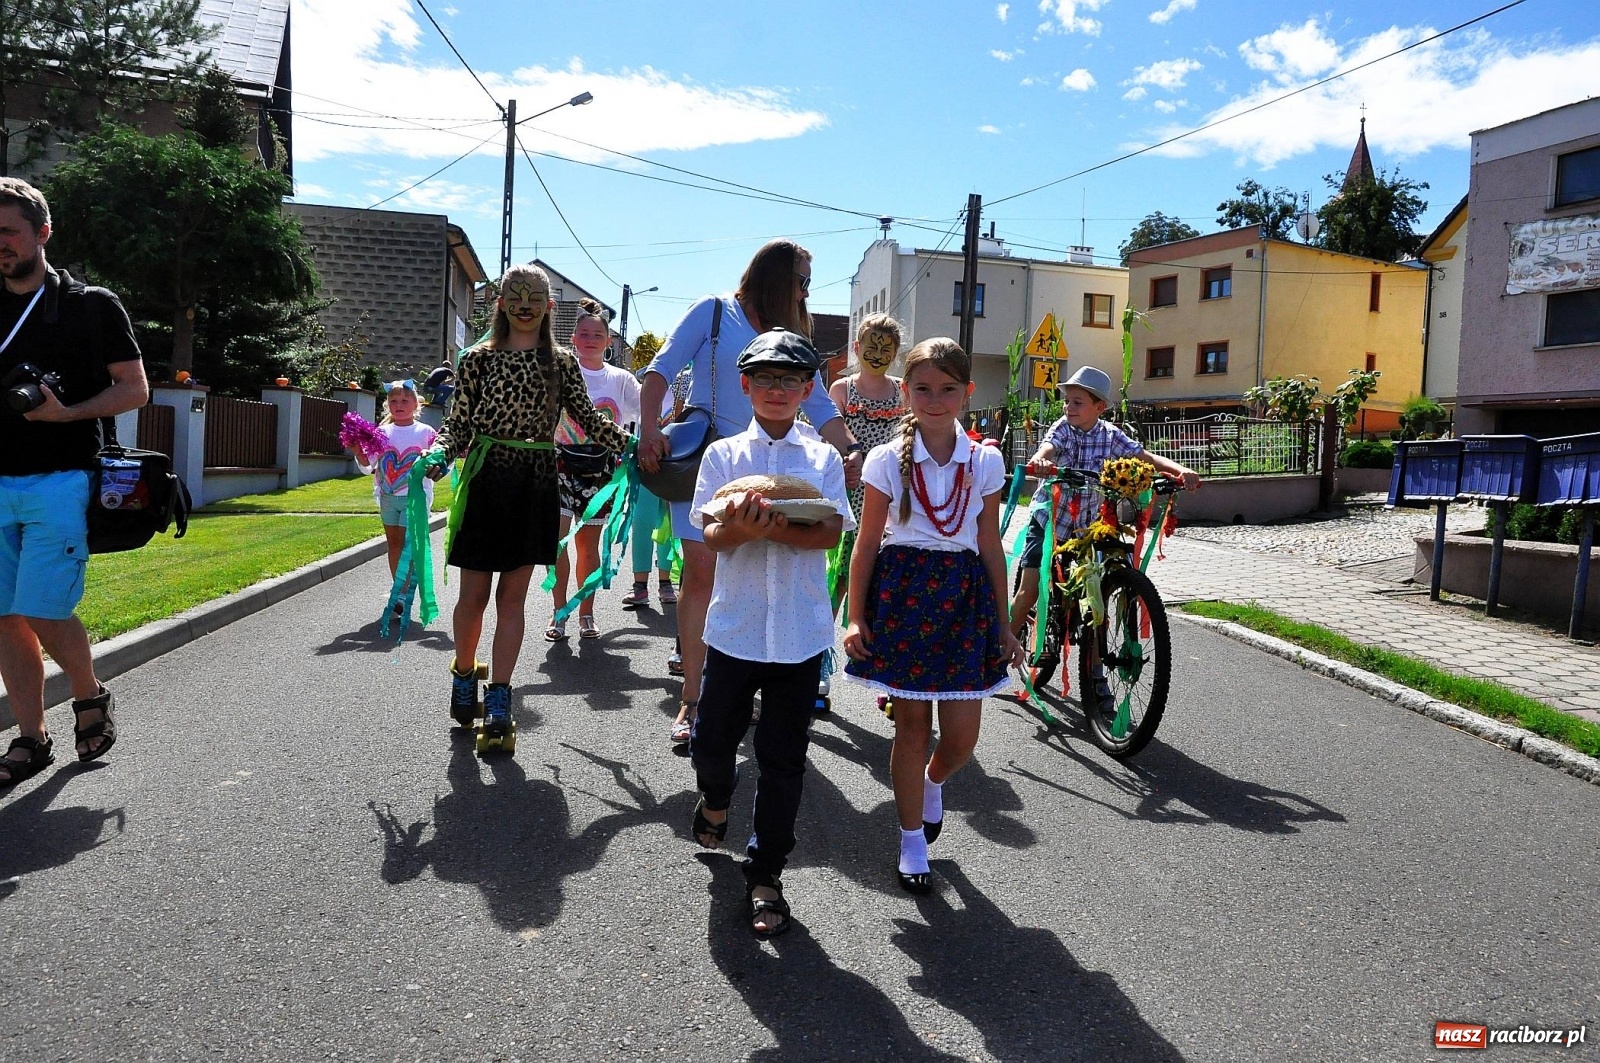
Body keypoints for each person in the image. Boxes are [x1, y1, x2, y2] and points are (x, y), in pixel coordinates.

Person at [637, 240, 861, 746]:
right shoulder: (715, 311)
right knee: (701, 572)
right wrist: (649, 429)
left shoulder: (794, 334)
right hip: (709, 461)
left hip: (773, 470)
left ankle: (746, 685)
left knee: (755, 574)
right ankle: (693, 700)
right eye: (801, 279)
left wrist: (848, 449)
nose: (806, 289)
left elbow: (821, 402)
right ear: (777, 276)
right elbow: (661, 368)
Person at [842, 338, 1023, 894]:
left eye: (948, 389)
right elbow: (867, 543)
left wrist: (1004, 620)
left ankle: (933, 783)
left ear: (967, 394)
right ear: (905, 393)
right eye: (922, 388)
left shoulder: (985, 460)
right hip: (902, 596)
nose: (935, 399)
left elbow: (990, 543)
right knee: (913, 724)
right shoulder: (884, 461)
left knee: (962, 737)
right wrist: (854, 617)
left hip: (963, 598)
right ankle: (911, 839)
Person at [686, 327, 850, 937]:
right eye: (765, 379)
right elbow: (711, 535)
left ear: (809, 388)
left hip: (801, 635)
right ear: (745, 385)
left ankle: (765, 874)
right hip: (735, 630)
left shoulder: (822, 460)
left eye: (790, 380)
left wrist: (773, 529)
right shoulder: (724, 457)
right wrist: (745, 529)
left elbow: (831, 533)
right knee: (711, 745)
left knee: (784, 761)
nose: (777, 390)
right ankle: (715, 799)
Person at [429, 265, 630, 748]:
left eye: (533, 298)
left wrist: (631, 445)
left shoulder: (561, 362)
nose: (523, 305)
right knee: (473, 595)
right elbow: (457, 425)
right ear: (499, 302)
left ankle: (499, 694)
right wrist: (437, 454)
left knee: (512, 599)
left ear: (548, 307)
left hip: (536, 481)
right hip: (486, 480)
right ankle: (463, 673)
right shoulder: (476, 359)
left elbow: (586, 418)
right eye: (514, 297)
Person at [0, 177, 149, 786]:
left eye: (8, 232)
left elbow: (133, 388)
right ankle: (31, 737)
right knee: (4, 615)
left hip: (60, 477)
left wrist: (65, 411)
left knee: (42, 607)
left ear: (42, 232)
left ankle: (88, 693)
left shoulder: (91, 305)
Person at [1007, 365, 1200, 707]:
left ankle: (1095, 674)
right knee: (1031, 582)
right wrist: (1039, 460)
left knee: (1097, 594)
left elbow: (1143, 457)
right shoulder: (1063, 429)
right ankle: (1002, 646)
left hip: (1087, 526)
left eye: (1077, 402)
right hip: (1050, 518)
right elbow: (1049, 448)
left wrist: (1179, 470)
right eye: (1068, 400)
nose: (1069, 407)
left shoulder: (1111, 436)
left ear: (1099, 407)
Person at [549, 298, 640, 641]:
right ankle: (559, 614)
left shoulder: (621, 380)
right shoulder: (558, 371)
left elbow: (650, 408)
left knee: (588, 546)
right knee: (557, 542)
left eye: (597, 334)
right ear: (573, 338)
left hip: (602, 470)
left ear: (609, 341)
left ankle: (585, 612)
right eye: (583, 333)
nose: (589, 339)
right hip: (558, 465)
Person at [352, 379, 437, 593]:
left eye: (404, 400)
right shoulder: (381, 433)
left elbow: (441, 462)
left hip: (415, 497)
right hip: (388, 497)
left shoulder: (426, 432)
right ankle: (399, 590)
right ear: (387, 405)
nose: (399, 405)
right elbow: (367, 465)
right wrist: (356, 450)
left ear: (416, 404)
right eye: (394, 401)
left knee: (409, 545)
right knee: (394, 544)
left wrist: (431, 463)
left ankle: (407, 587)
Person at [620, 350, 679, 611]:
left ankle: (665, 583)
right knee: (642, 524)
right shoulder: (638, 393)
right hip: (644, 468)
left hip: (673, 470)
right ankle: (640, 585)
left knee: (667, 525)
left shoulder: (681, 392)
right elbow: (626, 424)